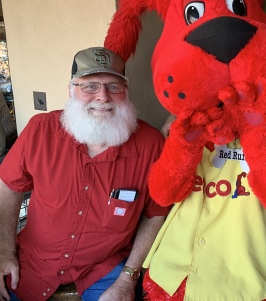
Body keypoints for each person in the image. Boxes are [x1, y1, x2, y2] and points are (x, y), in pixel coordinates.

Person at [0, 47, 170, 301]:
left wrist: (128, 277)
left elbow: (156, 213)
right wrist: (4, 250)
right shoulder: (40, 130)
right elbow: (8, 186)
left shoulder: (151, 144)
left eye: (114, 86)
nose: (102, 96)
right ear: (71, 91)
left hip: (105, 269)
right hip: (34, 264)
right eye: (89, 86)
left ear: (126, 92)